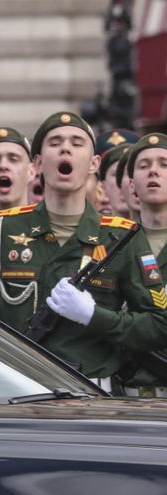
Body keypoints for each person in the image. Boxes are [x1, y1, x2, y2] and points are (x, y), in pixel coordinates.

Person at [0, 112, 167, 391]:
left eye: (77, 143)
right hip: (17, 395)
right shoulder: (3, 230)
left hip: (95, 397)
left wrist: (94, 316)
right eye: (55, 143)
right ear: (38, 163)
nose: (66, 148)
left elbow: (159, 327)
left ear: (93, 163)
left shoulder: (121, 236)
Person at [121, 133, 167, 396]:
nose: (154, 172)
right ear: (131, 185)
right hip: (128, 393)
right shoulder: (114, 244)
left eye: (164, 164)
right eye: (144, 165)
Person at [97, 144, 132, 217]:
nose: (123, 183)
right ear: (103, 185)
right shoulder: (91, 227)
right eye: (116, 175)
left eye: (130, 173)